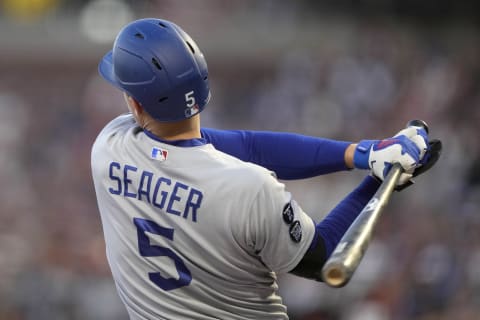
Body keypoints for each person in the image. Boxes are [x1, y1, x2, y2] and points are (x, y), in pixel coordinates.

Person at [91, 18, 437, 319]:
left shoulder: (110, 147)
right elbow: (322, 256)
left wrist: (363, 153)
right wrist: (377, 182)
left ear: (136, 103)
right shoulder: (250, 187)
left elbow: (241, 146)